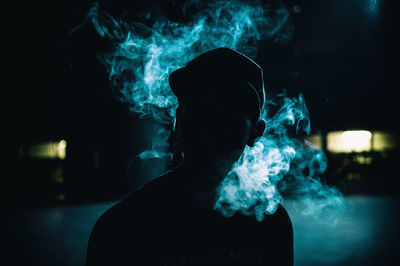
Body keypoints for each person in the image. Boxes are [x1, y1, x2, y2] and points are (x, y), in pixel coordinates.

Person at [86, 47, 293, 266]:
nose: (208, 128)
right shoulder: (122, 228)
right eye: (197, 111)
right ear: (177, 122)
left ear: (255, 132)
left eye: (227, 114)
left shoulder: (271, 223)